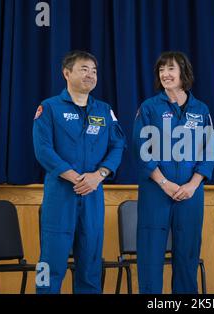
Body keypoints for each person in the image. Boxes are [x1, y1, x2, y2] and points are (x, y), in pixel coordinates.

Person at [33, 50, 126, 293]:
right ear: (66, 73)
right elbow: (43, 149)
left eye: (94, 71)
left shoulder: (104, 111)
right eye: (84, 69)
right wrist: (74, 176)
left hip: (92, 195)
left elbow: (118, 146)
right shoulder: (49, 108)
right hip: (60, 195)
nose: (90, 74)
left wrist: (99, 175)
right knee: (50, 263)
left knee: (91, 265)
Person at [133, 51, 214, 294]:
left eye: (170, 69)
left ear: (183, 73)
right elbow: (142, 149)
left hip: (190, 194)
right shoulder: (149, 107)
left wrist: (193, 184)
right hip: (156, 191)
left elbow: (209, 149)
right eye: (161, 70)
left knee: (188, 254)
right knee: (150, 255)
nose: (165, 74)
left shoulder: (200, 109)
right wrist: (163, 182)